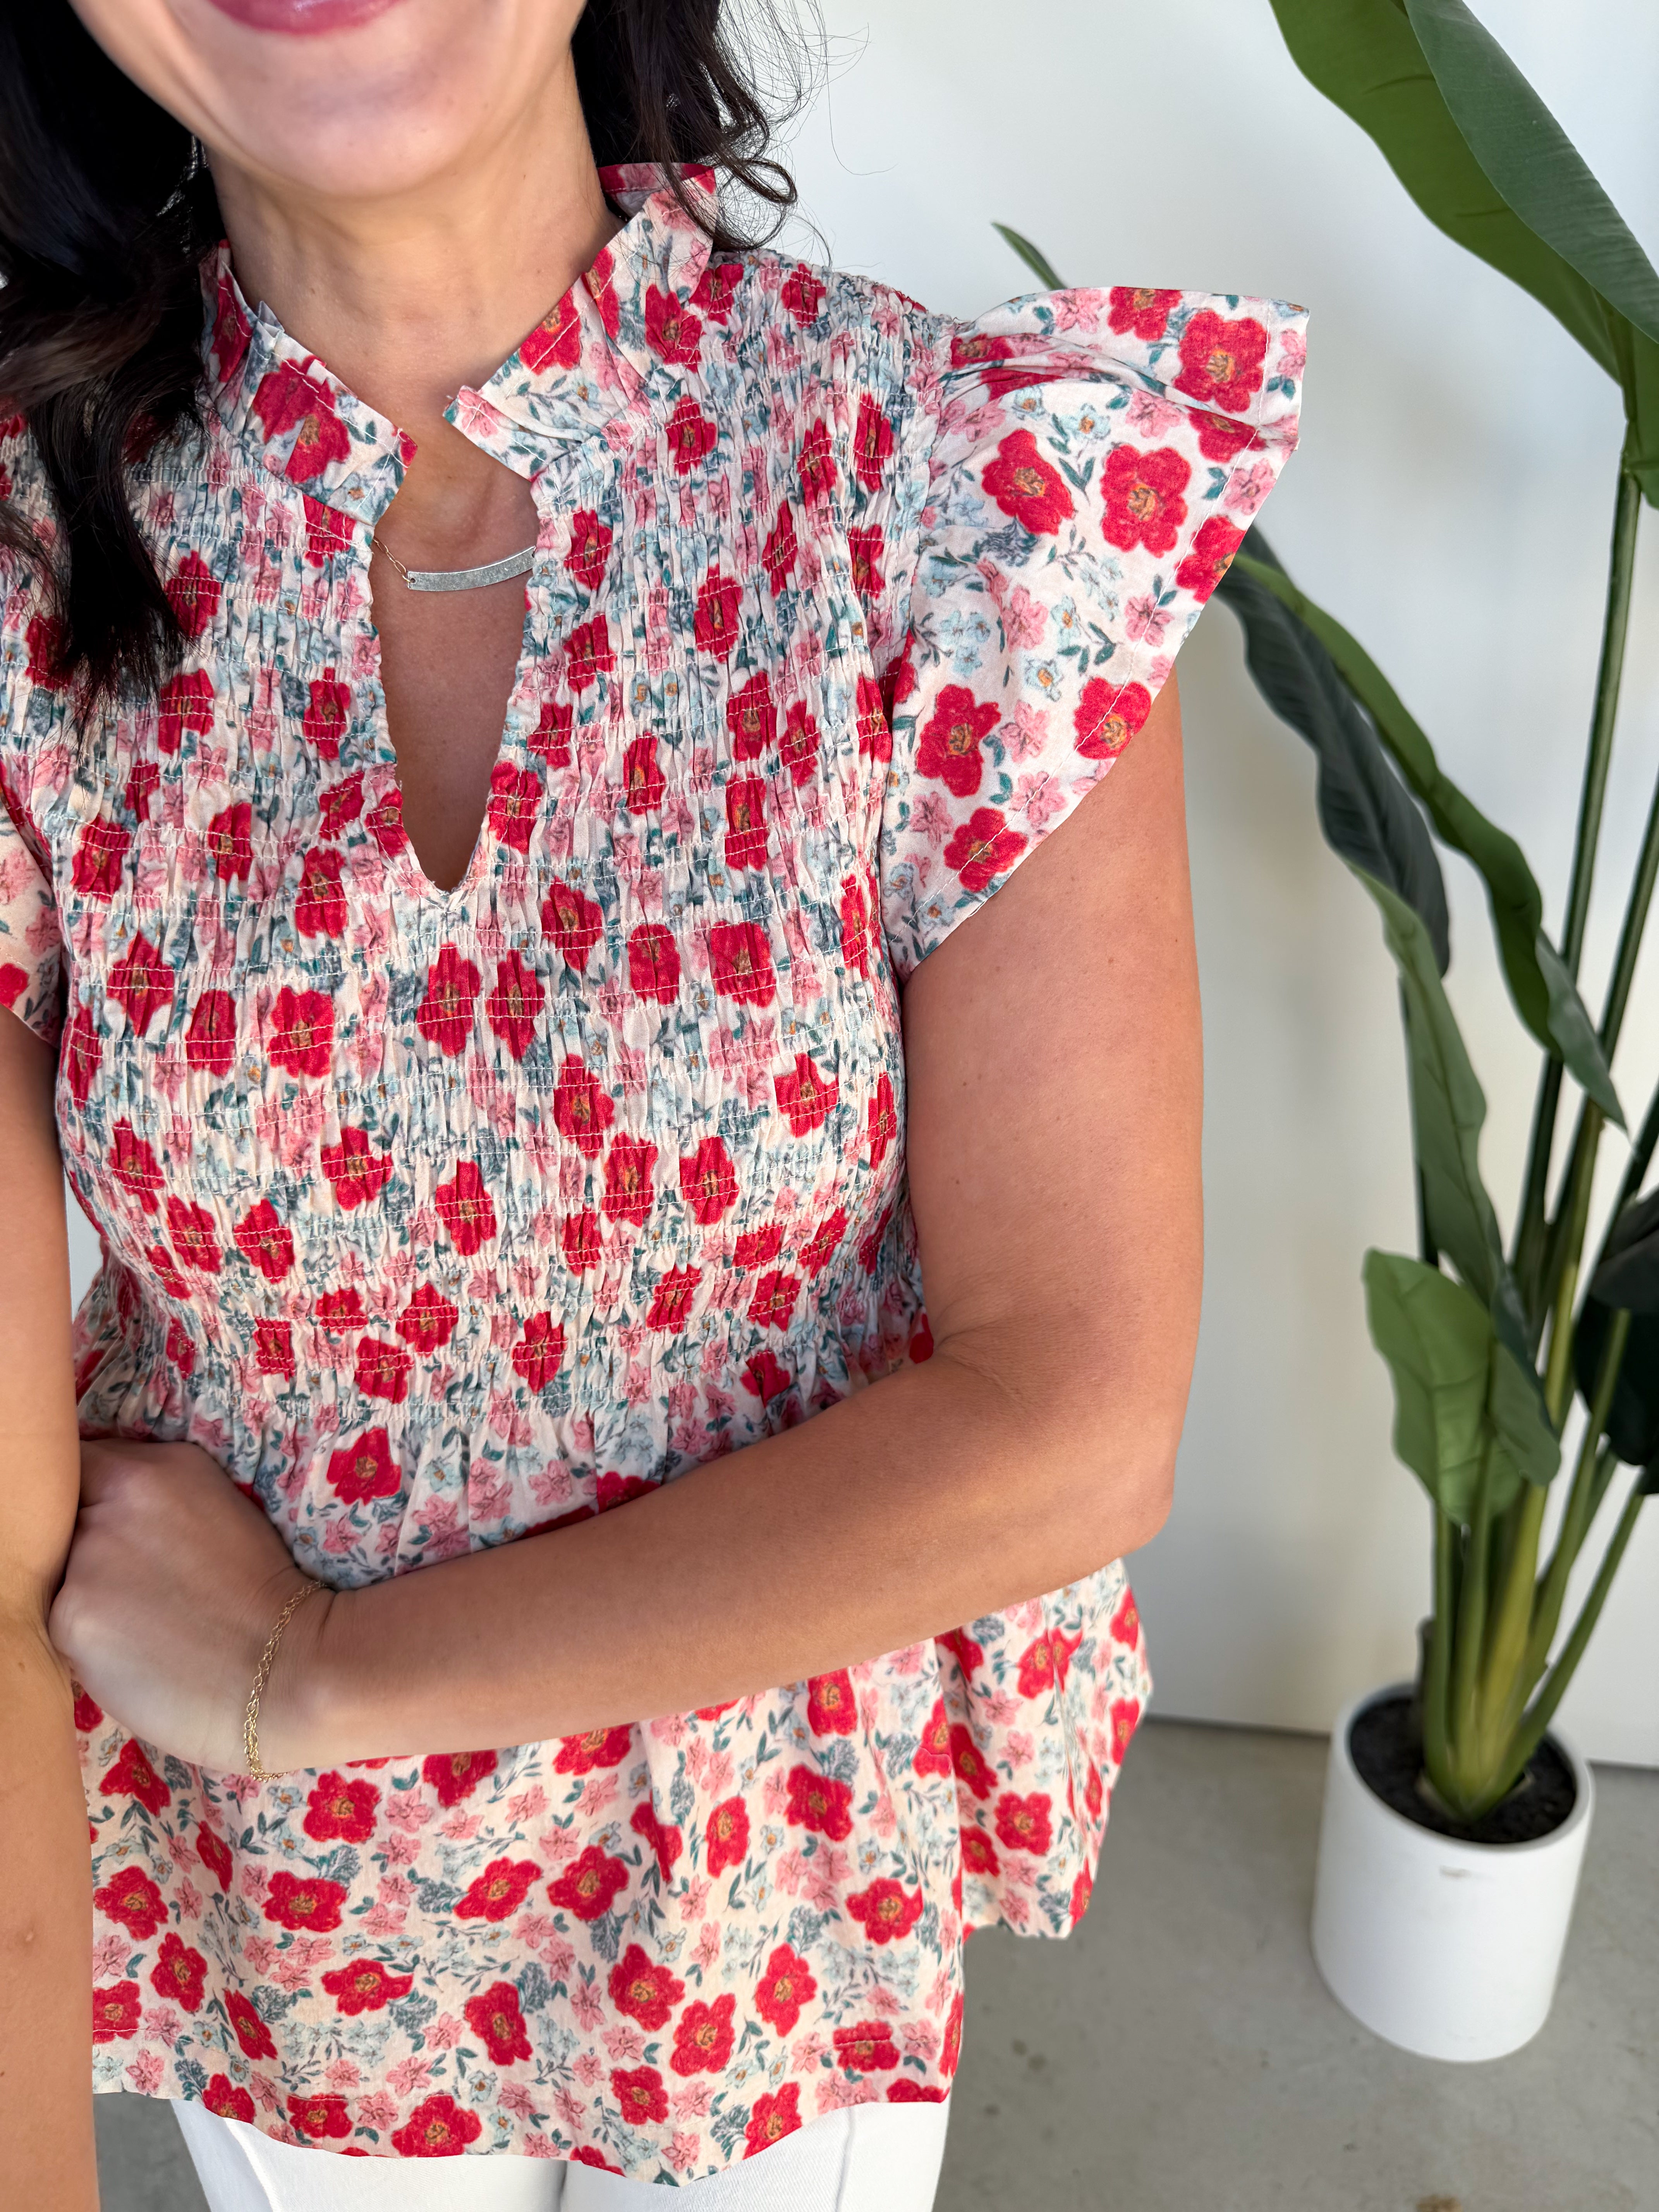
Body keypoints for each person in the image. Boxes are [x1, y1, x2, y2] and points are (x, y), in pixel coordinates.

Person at [0, 0, 1303, 2205]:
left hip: (765, 1906)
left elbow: (1074, 1412)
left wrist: (322, 1671)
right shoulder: (29, 562)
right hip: (307, 1932)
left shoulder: (963, 493)